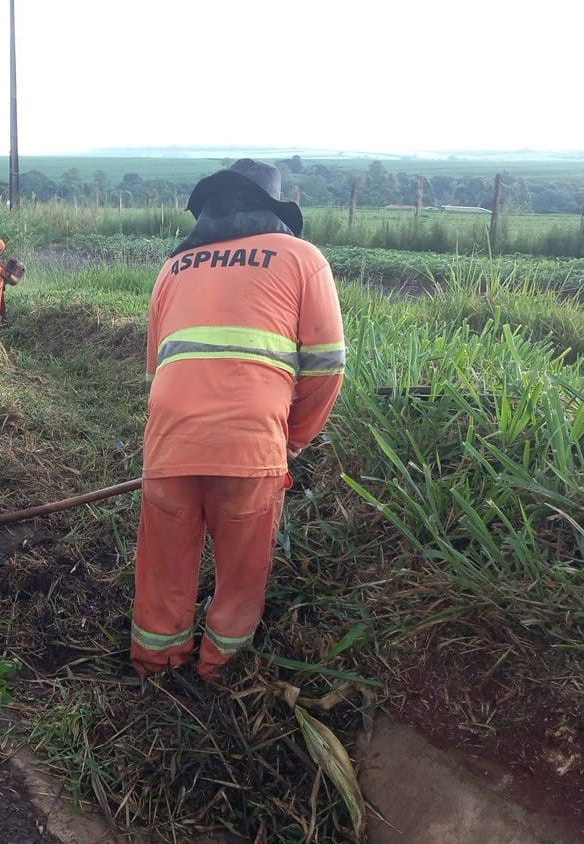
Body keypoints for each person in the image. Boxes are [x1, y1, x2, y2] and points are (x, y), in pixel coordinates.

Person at [131, 159, 346, 683]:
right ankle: (217, 672)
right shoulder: (302, 258)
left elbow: (157, 368)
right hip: (251, 445)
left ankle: (155, 665)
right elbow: (326, 364)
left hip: (169, 438)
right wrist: (294, 438)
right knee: (242, 570)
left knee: (163, 565)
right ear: (274, 209)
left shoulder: (174, 266)